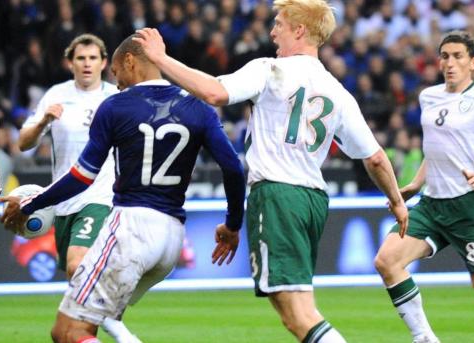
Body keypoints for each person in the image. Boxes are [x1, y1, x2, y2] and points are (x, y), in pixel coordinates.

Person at [133, 0, 409, 341]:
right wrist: (396, 201)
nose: (272, 31)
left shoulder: (269, 69)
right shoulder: (338, 92)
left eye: (279, 23)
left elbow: (214, 93)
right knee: (298, 308)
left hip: (279, 195)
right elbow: (376, 158)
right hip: (313, 201)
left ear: (299, 30)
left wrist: (160, 59)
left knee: (296, 315)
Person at [0, 34, 246, 343]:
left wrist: (31, 203)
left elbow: (82, 176)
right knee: (99, 322)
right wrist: (234, 224)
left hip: (130, 228)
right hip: (170, 239)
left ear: (130, 62)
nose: (116, 83)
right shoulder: (197, 106)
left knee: (66, 332)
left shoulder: (114, 106)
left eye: (116, 73)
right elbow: (234, 168)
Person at [17, 33, 137, 342]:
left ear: (104, 63)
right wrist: (43, 121)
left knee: (77, 264)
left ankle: (117, 327)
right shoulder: (56, 95)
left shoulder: (115, 96)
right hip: (64, 202)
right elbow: (23, 143)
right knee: (69, 322)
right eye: (80, 58)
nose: (86, 64)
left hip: (101, 198)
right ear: (70, 63)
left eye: (93, 58)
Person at [374, 31, 474, 343]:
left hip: (470, 206)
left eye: (458, 56)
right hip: (431, 205)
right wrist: (414, 184)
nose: (450, 63)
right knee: (387, 260)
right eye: (445, 56)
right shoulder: (429, 96)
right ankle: (424, 338)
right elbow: (436, 148)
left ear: (473, 62)